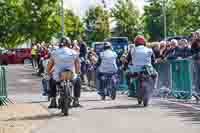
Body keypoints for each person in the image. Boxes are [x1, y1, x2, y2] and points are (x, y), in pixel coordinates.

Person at [47, 37, 81, 108]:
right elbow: (77, 64)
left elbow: (50, 64)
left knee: (51, 81)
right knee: (78, 80)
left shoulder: (54, 53)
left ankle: (53, 101)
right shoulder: (74, 52)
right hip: (71, 75)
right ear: (69, 44)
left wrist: (48, 72)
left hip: (58, 76)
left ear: (60, 44)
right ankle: (76, 100)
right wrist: (77, 72)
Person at [125, 35, 158, 105]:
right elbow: (153, 61)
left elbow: (127, 60)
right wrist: (152, 67)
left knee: (127, 74)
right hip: (148, 69)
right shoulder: (149, 50)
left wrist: (125, 67)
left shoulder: (132, 50)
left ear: (135, 43)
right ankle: (154, 87)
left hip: (135, 70)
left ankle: (131, 90)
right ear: (144, 42)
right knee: (156, 74)